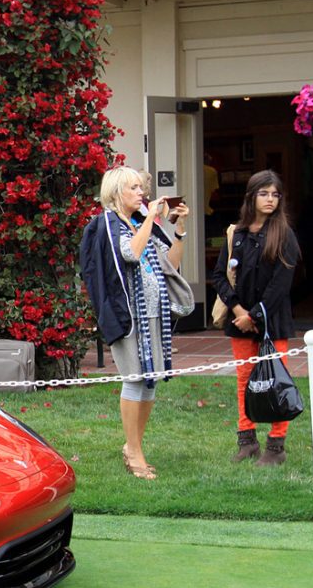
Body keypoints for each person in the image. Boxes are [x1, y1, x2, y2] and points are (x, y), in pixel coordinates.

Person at [78, 166, 190, 480]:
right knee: (134, 379)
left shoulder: (138, 222)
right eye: (134, 188)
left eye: (142, 187)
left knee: (149, 379)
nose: (142, 193)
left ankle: (134, 446)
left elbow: (171, 264)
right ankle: (134, 450)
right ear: (116, 193)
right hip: (127, 315)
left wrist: (178, 228)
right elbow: (130, 253)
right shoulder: (110, 225)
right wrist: (150, 218)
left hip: (153, 312)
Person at [209, 169, 300, 466]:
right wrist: (238, 311)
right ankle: (247, 441)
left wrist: (256, 315)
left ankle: (277, 446)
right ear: (252, 196)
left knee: (277, 380)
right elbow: (220, 275)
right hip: (240, 321)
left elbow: (281, 284)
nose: (270, 199)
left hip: (273, 321)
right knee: (244, 380)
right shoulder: (237, 233)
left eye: (275, 195)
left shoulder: (284, 234)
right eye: (264, 193)